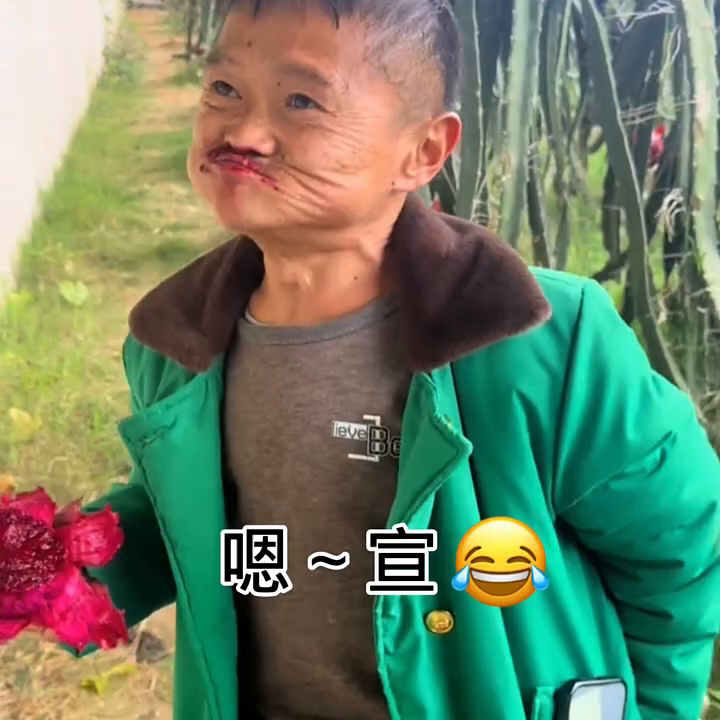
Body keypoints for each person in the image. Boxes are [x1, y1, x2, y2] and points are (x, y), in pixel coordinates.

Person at [72, 1, 720, 718]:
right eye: (224, 89)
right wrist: (52, 568)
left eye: (301, 101)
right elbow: (183, 519)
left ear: (423, 151)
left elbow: (683, 541)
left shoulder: (543, 346)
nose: (244, 133)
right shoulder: (175, 346)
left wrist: (655, 708)